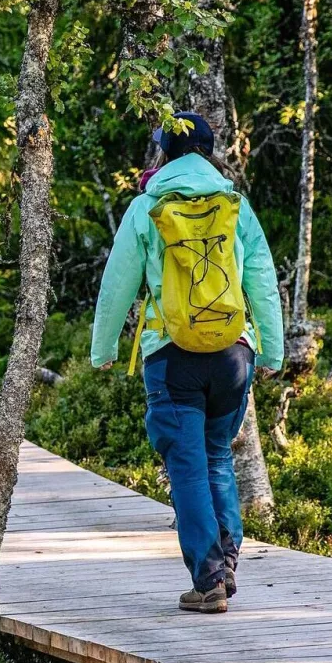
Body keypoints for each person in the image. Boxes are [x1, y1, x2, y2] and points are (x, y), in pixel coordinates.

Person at [90, 112, 284, 614]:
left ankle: (209, 579)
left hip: (171, 354)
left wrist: (103, 349)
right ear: (207, 150)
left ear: (165, 153)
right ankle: (228, 559)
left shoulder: (147, 206)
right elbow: (261, 276)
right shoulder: (234, 204)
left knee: (188, 468)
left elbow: (117, 284)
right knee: (216, 455)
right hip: (233, 352)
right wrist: (273, 350)